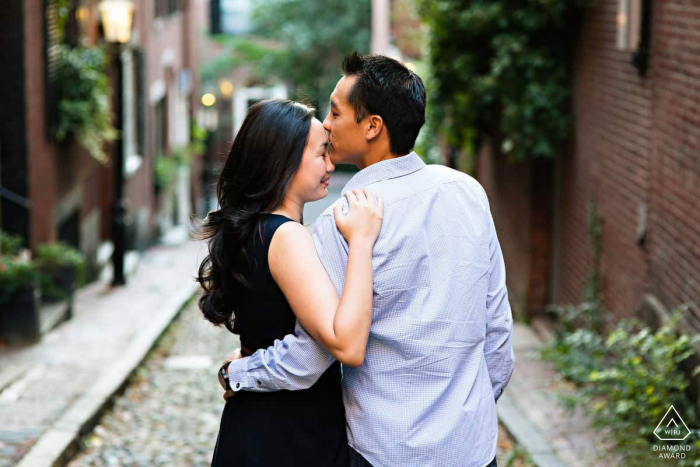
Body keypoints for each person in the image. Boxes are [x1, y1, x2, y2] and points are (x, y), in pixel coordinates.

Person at [221, 52, 515, 467]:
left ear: (373, 126)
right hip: (472, 449)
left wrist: (239, 373)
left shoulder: (340, 223)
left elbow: (313, 355)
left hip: (383, 451)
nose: (325, 123)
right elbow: (498, 331)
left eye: (336, 112)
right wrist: (471, 414)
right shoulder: (468, 193)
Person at [197, 99, 384, 467]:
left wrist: (237, 371)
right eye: (321, 154)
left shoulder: (252, 230)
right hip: (289, 433)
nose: (331, 165)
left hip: (258, 426)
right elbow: (347, 343)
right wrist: (361, 241)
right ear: (284, 160)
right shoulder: (286, 236)